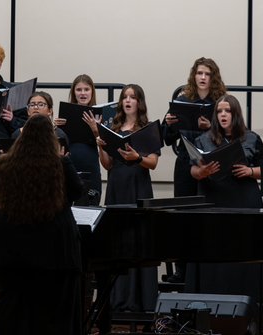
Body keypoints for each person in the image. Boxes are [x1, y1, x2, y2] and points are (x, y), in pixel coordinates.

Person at [0, 114, 85, 335]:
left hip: (9, 242)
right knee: (53, 306)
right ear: (52, 138)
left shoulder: (6, 163)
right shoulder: (60, 163)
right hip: (51, 243)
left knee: (10, 304)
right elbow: (77, 192)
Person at [186, 94, 263, 309]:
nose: (223, 115)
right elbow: (193, 170)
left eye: (228, 111)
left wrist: (250, 171)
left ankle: (246, 305)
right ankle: (208, 306)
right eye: (219, 111)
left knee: (243, 254)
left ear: (236, 114)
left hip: (243, 201)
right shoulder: (203, 139)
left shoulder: (251, 138)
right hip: (213, 201)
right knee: (214, 254)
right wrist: (202, 172)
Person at [96, 84, 160, 312]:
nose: (128, 101)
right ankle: (117, 299)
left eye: (132, 97)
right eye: (125, 97)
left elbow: (153, 163)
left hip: (138, 186)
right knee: (117, 239)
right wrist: (100, 147)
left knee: (138, 238)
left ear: (139, 102)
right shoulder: (113, 128)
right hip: (116, 185)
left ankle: (140, 299)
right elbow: (107, 165)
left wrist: (137, 157)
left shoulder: (148, 129)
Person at [161, 58, 227, 283]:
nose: (203, 77)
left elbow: (230, 134)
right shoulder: (182, 100)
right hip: (185, 161)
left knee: (208, 216)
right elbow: (167, 138)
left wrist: (210, 128)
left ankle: (208, 271)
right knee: (183, 217)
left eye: (207, 74)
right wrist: (169, 124)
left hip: (211, 163)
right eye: (199, 73)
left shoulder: (219, 102)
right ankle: (182, 270)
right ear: (194, 75)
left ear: (213, 77)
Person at [54, 74, 104, 205]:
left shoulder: (100, 115)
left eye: (86, 89)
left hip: (90, 166)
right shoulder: (66, 113)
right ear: (73, 92)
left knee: (90, 206)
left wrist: (96, 129)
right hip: (70, 164)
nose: (83, 93)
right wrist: (56, 127)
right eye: (79, 90)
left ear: (92, 92)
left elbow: (105, 145)